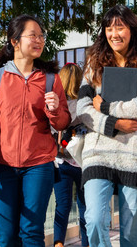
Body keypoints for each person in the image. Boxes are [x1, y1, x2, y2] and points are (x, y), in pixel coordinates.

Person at [0, 14, 70, 247]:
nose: (39, 40)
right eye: (33, 35)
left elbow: (62, 123)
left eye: (41, 36)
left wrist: (56, 110)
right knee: (7, 235)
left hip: (39, 164)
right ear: (14, 41)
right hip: (4, 165)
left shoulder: (50, 79)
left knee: (31, 230)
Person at [76, 5, 137, 247]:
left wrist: (105, 108)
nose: (114, 33)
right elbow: (82, 108)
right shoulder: (94, 63)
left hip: (134, 154)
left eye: (120, 27)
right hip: (97, 153)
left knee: (131, 232)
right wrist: (113, 124)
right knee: (93, 219)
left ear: (131, 29)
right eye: (108, 28)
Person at [53, 62, 89, 247]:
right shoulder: (85, 104)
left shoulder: (56, 105)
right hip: (83, 161)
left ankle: (58, 243)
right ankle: (87, 244)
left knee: (62, 206)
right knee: (84, 208)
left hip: (61, 162)